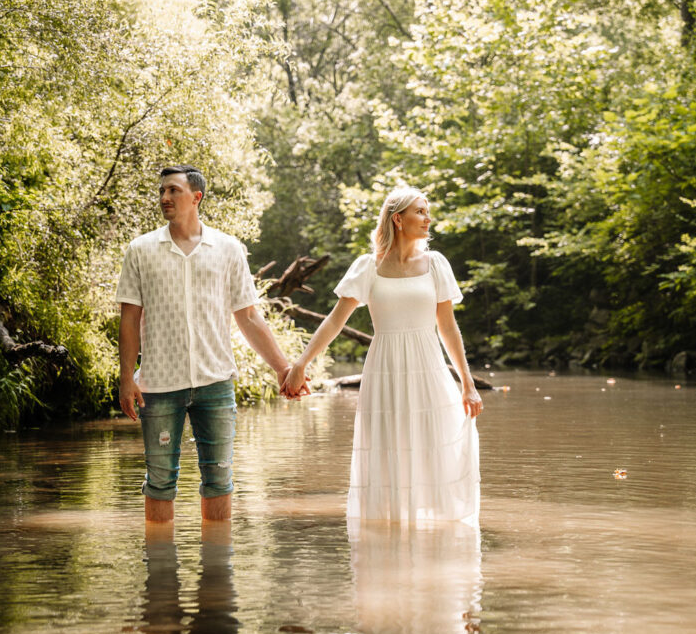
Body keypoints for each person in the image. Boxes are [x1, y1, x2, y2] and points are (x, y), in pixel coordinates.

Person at [116, 165, 304, 523]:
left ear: (196, 197)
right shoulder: (140, 250)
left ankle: (217, 572)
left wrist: (283, 368)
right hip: (158, 384)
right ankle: (161, 573)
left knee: (219, 480)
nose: (164, 198)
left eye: (173, 190)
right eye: (162, 192)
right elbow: (129, 318)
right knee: (159, 482)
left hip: (215, 383)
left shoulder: (228, 249)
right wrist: (127, 377)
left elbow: (248, 317)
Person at [284, 187, 483, 524]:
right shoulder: (368, 267)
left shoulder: (436, 264)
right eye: (419, 211)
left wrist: (467, 383)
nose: (427, 218)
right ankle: (388, 535)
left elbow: (448, 328)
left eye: (427, 210)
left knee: (436, 443)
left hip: (429, 368)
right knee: (389, 451)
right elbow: (334, 321)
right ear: (397, 219)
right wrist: (300, 364)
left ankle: (437, 538)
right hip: (385, 370)